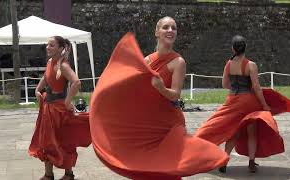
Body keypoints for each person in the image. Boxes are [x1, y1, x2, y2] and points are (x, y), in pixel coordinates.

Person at [89, 17, 229, 180]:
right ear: (157, 32)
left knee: (167, 168)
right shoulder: (146, 61)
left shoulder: (178, 62)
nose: (170, 30)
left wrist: (161, 88)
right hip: (148, 125)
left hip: (168, 125)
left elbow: (175, 94)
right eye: (166, 27)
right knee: (147, 167)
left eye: (174, 28)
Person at [195, 35, 290, 173]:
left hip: (232, 100)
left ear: (232, 48)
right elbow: (256, 87)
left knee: (233, 132)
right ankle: (251, 163)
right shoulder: (251, 65)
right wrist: (265, 104)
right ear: (245, 48)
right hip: (249, 102)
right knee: (252, 132)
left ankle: (224, 160)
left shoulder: (228, 64)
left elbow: (225, 84)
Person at [28, 36, 91, 180]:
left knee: (64, 141)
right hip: (48, 108)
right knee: (46, 141)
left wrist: (68, 102)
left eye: (51, 45)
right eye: (47, 45)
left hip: (59, 109)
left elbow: (76, 83)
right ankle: (48, 175)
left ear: (61, 48)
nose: (47, 47)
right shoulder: (51, 62)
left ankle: (68, 174)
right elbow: (46, 77)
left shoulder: (63, 65)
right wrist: (38, 89)